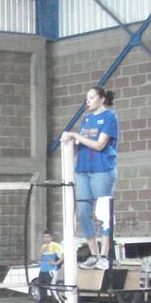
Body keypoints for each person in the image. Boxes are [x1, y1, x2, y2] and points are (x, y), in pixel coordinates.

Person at [62, 86, 119, 270]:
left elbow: (99, 144)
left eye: (92, 97)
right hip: (83, 170)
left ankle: (105, 256)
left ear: (101, 98)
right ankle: (94, 255)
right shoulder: (86, 119)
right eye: (87, 98)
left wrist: (75, 134)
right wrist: (70, 140)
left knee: (103, 213)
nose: (89, 101)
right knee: (83, 213)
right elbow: (82, 143)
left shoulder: (110, 117)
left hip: (101, 170)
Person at [34, 230, 64, 303]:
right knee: (41, 287)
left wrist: (56, 263)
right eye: (45, 237)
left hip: (51, 270)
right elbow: (39, 258)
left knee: (52, 287)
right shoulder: (43, 246)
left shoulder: (55, 245)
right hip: (43, 270)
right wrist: (41, 252)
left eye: (48, 237)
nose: (46, 238)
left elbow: (63, 255)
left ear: (51, 237)